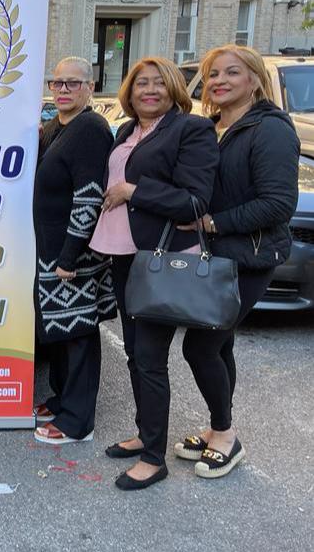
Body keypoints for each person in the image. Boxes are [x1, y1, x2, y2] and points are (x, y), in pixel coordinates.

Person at [90, 57, 219, 490]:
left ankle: (153, 457)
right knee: (134, 354)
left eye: (159, 83)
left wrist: (134, 191)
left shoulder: (190, 129)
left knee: (148, 358)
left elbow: (195, 201)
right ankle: (146, 434)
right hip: (125, 255)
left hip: (157, 257)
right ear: (128, 91)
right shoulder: (128, 131)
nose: (149, 90)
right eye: (141, 82)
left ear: (174, 89)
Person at [173, 44, 299, 478]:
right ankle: (216, 428)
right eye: (212, 75)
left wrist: (212, 223)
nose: (219, 81)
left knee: (200, 344)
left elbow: (278, 203)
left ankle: (226, 434)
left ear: (254, 80)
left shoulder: (270, 130)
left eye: (232, 72)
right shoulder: (210, 128)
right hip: (214, 258)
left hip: (249, 257)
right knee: (219, 342)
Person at [32, 57, 116, 445]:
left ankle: (78, 422)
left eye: (72, 83)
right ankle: (62, 398)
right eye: (57, 82)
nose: (63, 89)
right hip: (51, 249)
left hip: (73, 253)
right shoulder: (57, 126)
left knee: (78, 333)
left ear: (90, 87)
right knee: (59, 331)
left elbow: (88, 197)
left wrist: (69, 256)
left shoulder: (91, 129)